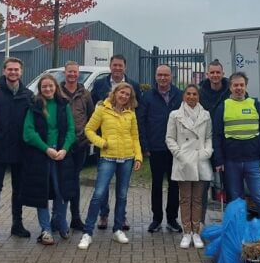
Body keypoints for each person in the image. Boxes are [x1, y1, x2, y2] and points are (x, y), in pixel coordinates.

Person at [78, 82, 142, 250]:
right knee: (98, 194)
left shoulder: (131, 113)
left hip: (127, 158)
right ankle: (88, 232)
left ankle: (118, 229)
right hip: (108, 157)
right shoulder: (102, 109)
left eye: (128, 94)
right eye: (122, 92)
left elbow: (135, 136)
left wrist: (138, 157)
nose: (124, 96)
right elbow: (89, 129)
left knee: (122, 195)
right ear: (115, 93)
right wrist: (101, 143)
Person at [21, 75, 76, 245]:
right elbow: (28, 133)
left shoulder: (63, 105)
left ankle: (61, 222)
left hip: (61, 155)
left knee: (62, 191)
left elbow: (71, 130)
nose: (48, 89)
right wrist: (46, 149)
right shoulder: (34, 106)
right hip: (41, 156)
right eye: (44, 86)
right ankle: (46, 229)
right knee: (42, 193)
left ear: (55, 87)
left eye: (50, 86)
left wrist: (65, 148)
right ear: (40, 88)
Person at [212, 72, 260, 218]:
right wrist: (219, 160)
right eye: (236, 85)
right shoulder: (223, 107)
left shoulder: (255, 105)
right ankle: (238, 232)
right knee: (236, 201)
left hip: (254, 162)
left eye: (242, 85)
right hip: (230, 163)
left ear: (246, 87)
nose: (239, 88)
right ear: (230, 87)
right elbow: (217, 136)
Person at [90, 54, 142, 231]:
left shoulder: (133, 86)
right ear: (110, 66)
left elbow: (138, 112)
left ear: (125, 67)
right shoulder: (99, 85)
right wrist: (100, 141)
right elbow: (94, 111)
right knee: (102, 187)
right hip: (106, 144)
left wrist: (137, 150)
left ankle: (122, 218)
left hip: (126, 146)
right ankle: (103, 216)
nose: (117, 68)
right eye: (115, 65)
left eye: (120, 65)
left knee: (122, 189)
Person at [0, 57, 34, 240]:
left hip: (21, 151)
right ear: (4, 71)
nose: (13, 72)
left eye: (16, 69)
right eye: (10, 69)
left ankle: (17, 224)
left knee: (18, 190)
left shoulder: (28, 95)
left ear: (21, 72)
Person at [166, 85, 213, 249]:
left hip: (200, 160)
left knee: (198, 199)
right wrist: (179, 155)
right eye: (188, 94)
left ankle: (197, 232)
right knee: (185, 199)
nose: (191, 97)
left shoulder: (205, 115)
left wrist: (207, 152)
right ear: (183, 96)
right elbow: (170, 138)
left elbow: (208, 137)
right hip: (183, 161)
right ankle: (187, 232)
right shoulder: (175, 115)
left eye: (194, 94)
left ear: (198, 97)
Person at [137, 65, 182, 233]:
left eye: (166, 75)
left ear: (171, 77)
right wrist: (145, 145)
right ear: (155, 77)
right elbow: (140, 121)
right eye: (160, 75)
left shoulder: (179, 95)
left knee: (174, 184)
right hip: (155, 147)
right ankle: (156, 219)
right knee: (156, 184)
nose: (163, 78)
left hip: (175, 149)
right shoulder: (147, 96)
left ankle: (172, 218)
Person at [60, 61, 94, 231]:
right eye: (69, 72)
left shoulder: (85, 94)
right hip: (62, 145)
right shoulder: (57, 92)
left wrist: (87, 138)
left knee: (74, 180)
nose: (72, 75)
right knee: (63, 181)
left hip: (80, 144)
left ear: (78, 74)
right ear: (65, 73)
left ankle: (75, 217)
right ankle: (59, 217)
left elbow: (91, 116)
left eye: (75, 72)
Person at [198, 59, 231, 223]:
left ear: (223, 74)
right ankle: (199, 223)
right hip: (205, 144)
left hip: (227, 146)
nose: (215, 75)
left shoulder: (231, 91)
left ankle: (231, 223)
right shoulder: (199, 93)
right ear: (207, 74)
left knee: (231, 186)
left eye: (218, 72)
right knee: (203, 186)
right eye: (212, 72)